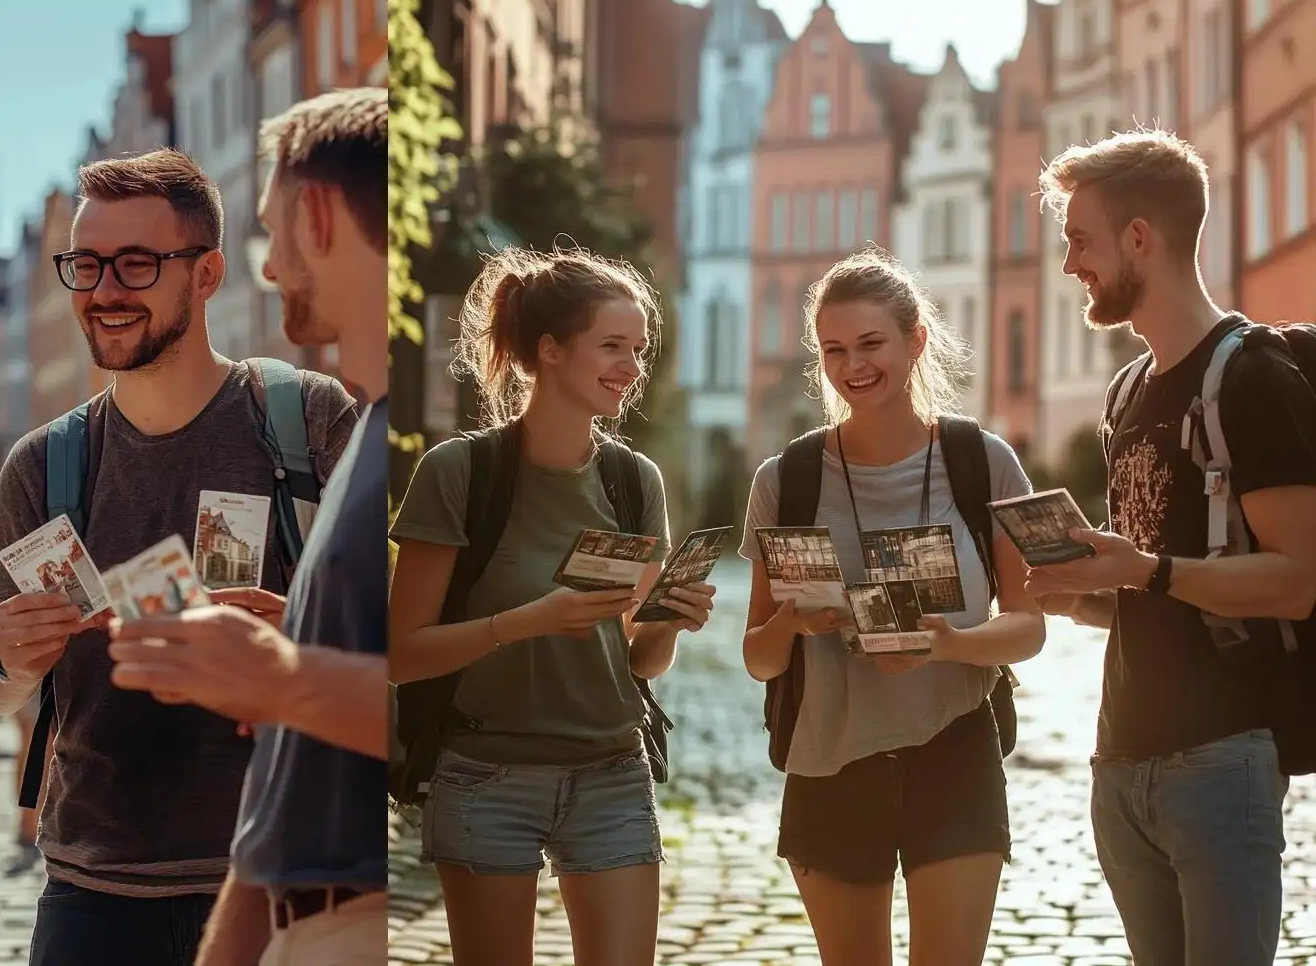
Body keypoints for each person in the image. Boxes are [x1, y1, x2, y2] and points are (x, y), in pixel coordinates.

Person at [0, 149, 359, 966]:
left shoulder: (306, 422)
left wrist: (296, 640)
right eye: (86, 265)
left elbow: (389, 640)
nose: (105, 290)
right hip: (95, 889)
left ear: (207, 274)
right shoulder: (44, 463)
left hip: (280, 871)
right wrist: (8, 659)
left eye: (137, 264)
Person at [108, 90, 390, 966]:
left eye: (270, 233)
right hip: (300, 917)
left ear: (314, 214)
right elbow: (290, 779)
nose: (269, 272)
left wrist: (288, 673)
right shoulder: (370, 427)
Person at [1026, 132, 1316, 966]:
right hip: (1120, 762)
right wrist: (1078, 590)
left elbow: (1298, 581)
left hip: (1222, 761)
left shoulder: (1252, 379)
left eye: (1080, 238)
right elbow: (1152, 588)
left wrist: (1146, 569)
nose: (1069, 261)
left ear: (1140, 238)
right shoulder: (1129, 390)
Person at [389, 246, 710, 966]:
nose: (632, 367)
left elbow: (640, 661)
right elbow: (402, 653)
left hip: (611, 771)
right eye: (612, 347)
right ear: (550, 350)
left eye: (638, 349)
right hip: (483, 774)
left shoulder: (635, 481)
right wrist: (525, 622)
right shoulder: (458, 474)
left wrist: (668, 619)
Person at [740, 250, 1044, 966]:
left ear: (916, 341)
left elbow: (1028, 629)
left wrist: (945, 644)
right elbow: (758, 659)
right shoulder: (788, 478)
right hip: (829, 761)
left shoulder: (981, 461)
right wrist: (790, 622)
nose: (854, 366)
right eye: (835, 350)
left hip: (955, 752)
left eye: (871, 344)